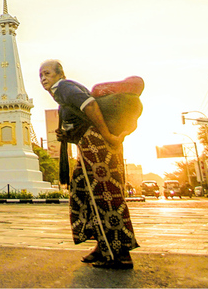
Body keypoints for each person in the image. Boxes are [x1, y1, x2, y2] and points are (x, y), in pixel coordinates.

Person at [39, 59, 138, 270]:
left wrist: (106, 135)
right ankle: (103, 245)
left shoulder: (64, 87)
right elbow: (82, 119)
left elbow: (90, 105)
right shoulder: (63, 92)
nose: (43, 79)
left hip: (97, 147)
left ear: (59, 74)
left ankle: (120, 253)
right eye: (41, 75)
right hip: (89, 147)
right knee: (82, 193)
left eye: (47, 73)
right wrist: (68, 134)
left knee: (104, 197)